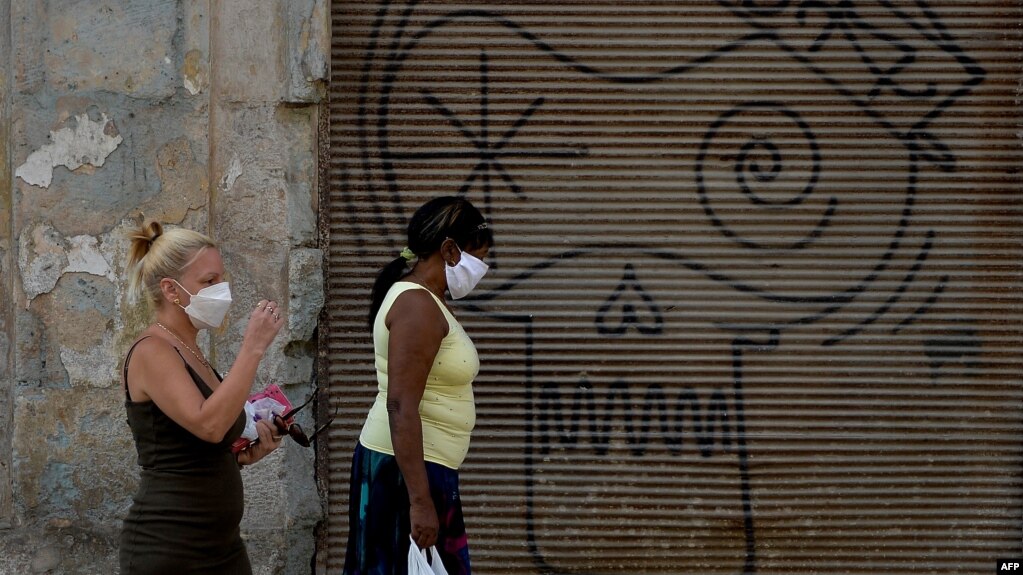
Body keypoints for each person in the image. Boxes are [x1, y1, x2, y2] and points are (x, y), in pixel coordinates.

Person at [119, 221, 285, 575]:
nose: (221, 290)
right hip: (173, 547)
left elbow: (194, 445)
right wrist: (253, 347)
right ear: (171, 289)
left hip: (222, 546)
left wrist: (240, 456)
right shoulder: (153, 350)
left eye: (221, 279)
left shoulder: (190, 348)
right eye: (209, 282)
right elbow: (208, 424)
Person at [344, 197, 494, 575]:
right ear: (448, 249)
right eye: (477, 258)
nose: (482, 270)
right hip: (402, 474)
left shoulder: (426, 300)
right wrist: (420, 502)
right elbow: (401, 405)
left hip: (418, 469)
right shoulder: (417, 305)